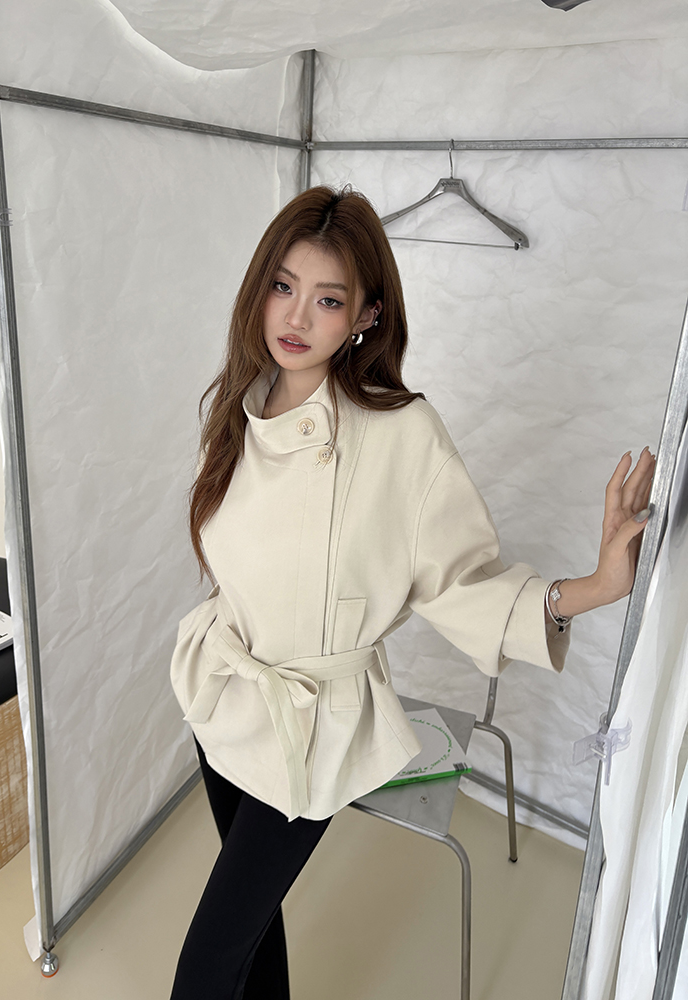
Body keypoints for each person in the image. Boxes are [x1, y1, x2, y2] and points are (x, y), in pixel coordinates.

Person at [167, 185, 655, 1000]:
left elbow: (463, 585)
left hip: (310, 725)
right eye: (283, 285)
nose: (296, 316)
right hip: (223, 691)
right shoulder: (241, 404)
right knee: (250, 928)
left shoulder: (399, 434)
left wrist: (597, 586)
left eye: (328, 300)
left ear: (366, 315)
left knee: (205, 967)